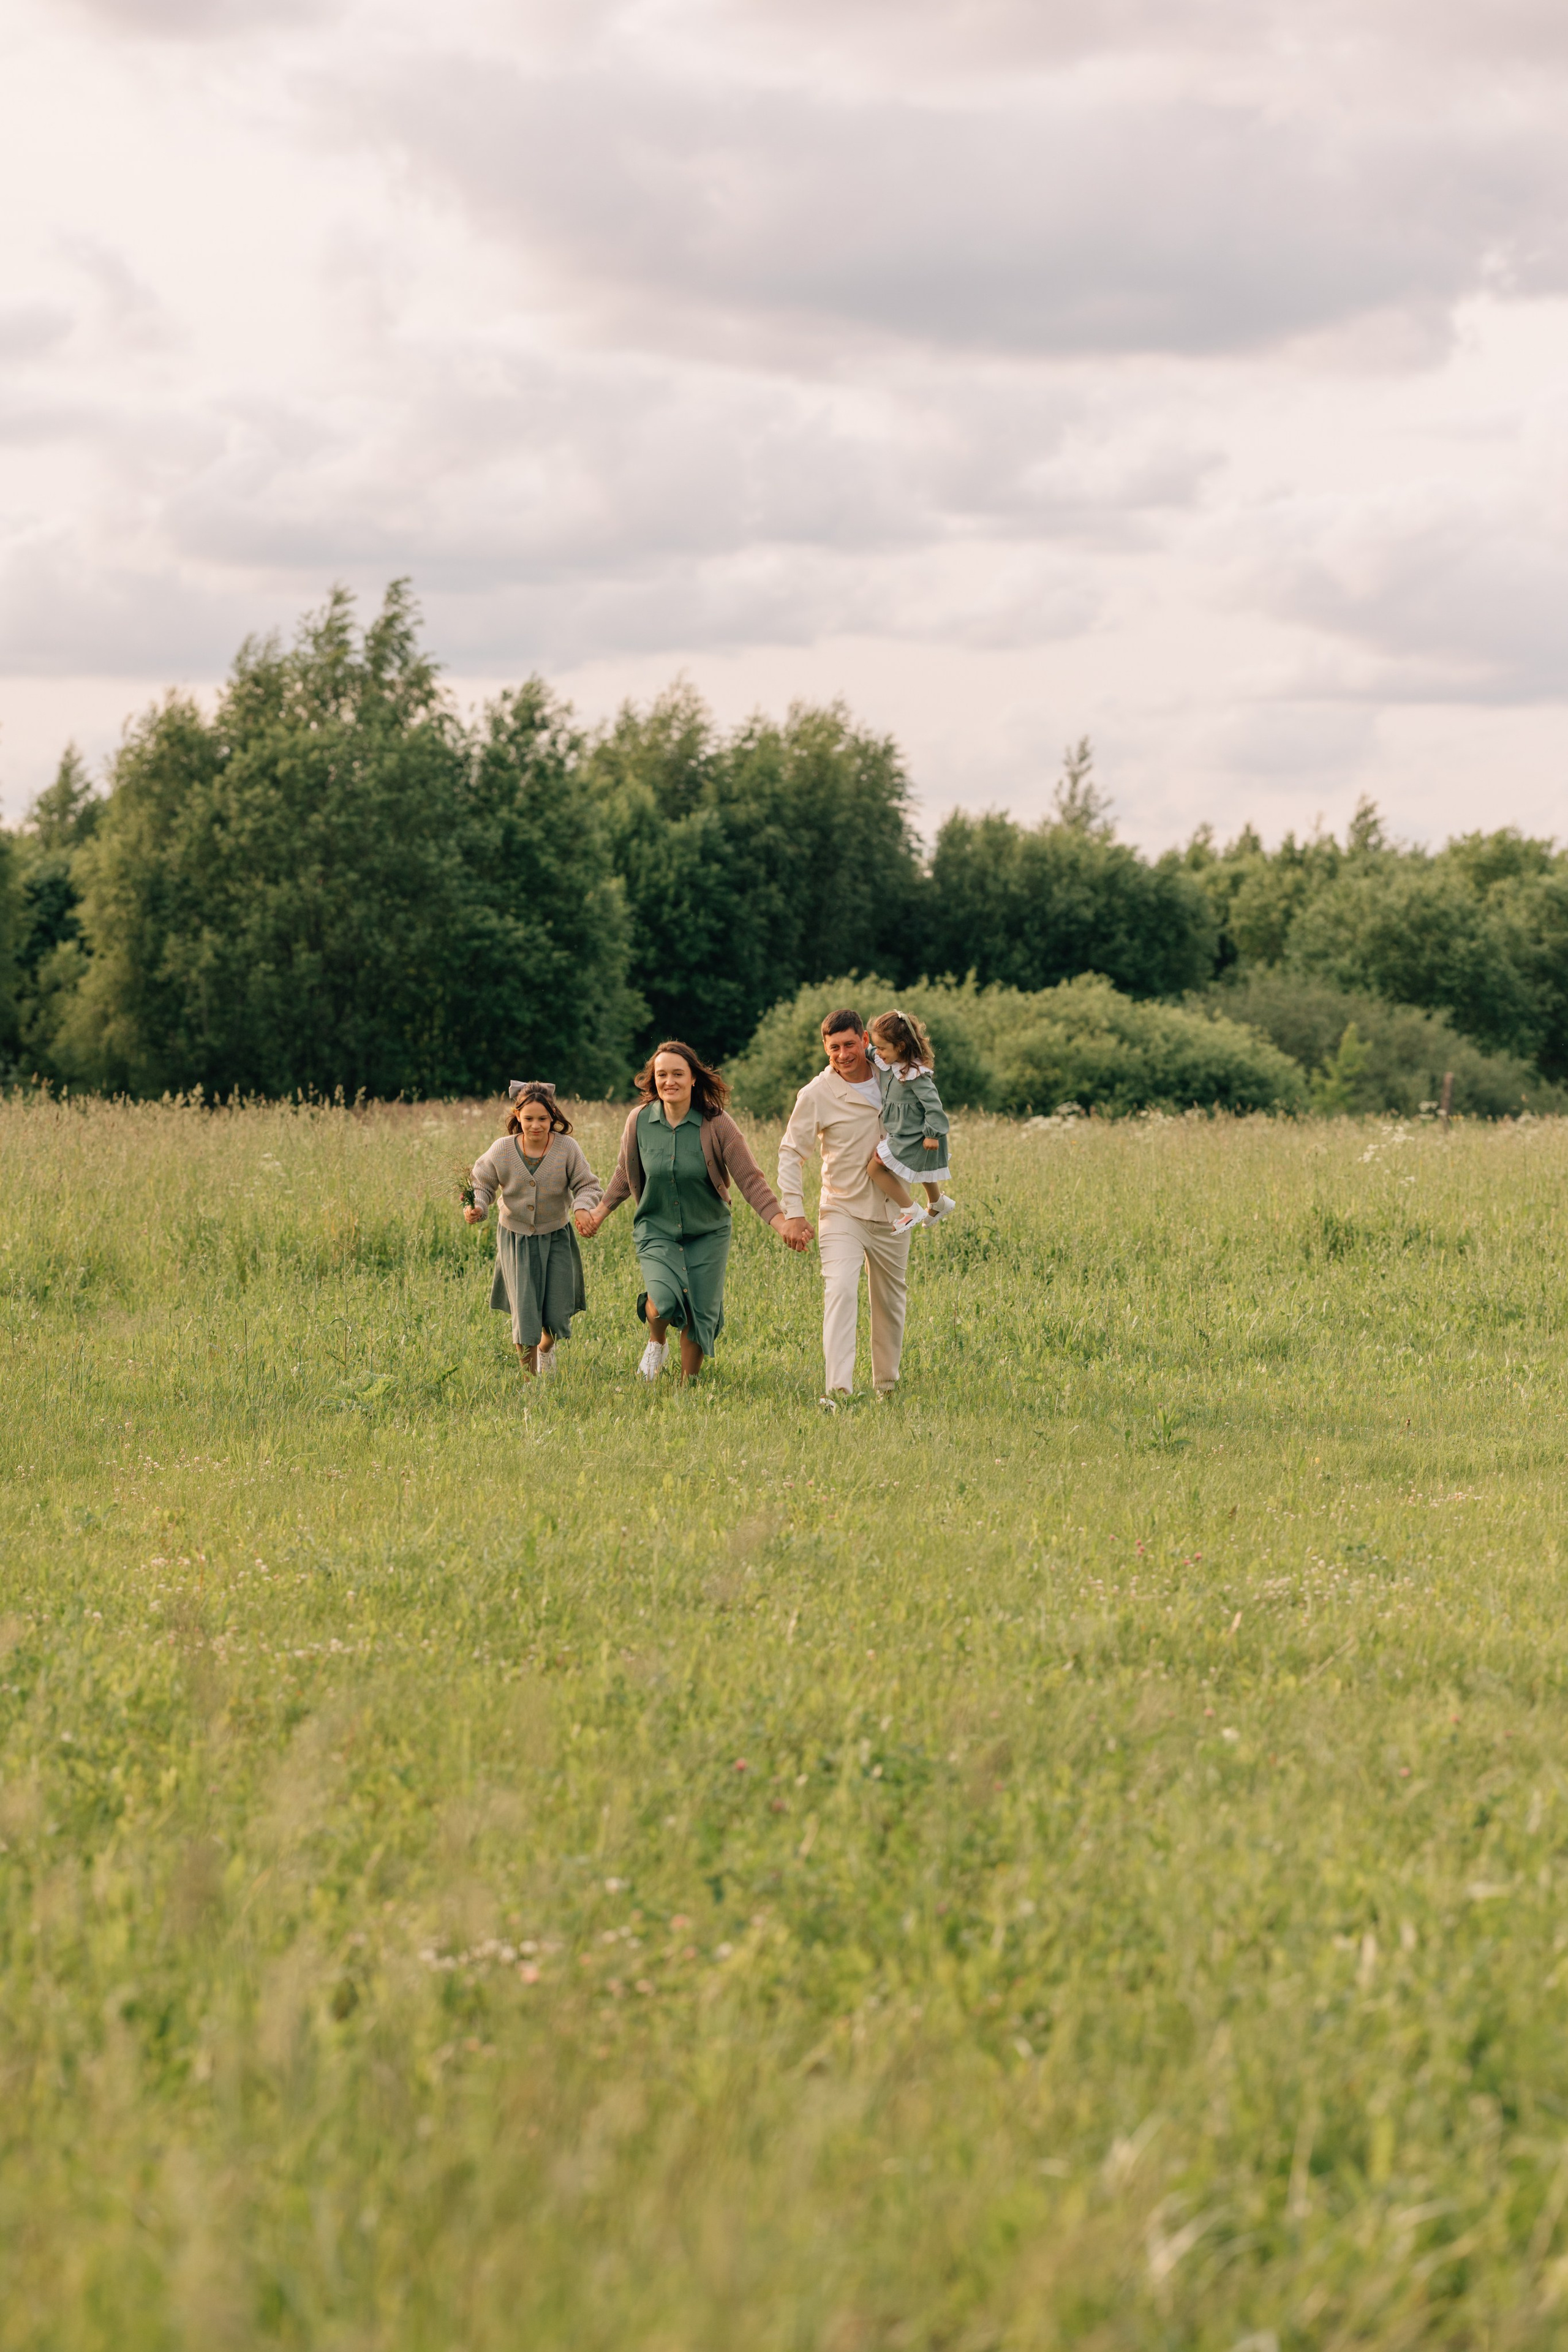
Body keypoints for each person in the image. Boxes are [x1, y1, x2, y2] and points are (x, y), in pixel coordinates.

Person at [579, 1040, 810, 1381]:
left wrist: (781, 1224)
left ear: (693, 1080)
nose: (669, 1081)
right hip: (656, 1229)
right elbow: (625, 1173)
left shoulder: (717, 1124)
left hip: (708, 1233)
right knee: (664, 1302)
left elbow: (750, 1180)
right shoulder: (639, 1121)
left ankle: (686, 1389)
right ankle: (656, 1342)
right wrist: (599, 1212)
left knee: (700, 1312)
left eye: (677, 1074)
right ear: (653, 1080)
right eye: (662, 1075)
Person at [776, 1007, 914, 1407]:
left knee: (890, 1301)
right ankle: (838, 1392)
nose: (842, 1054)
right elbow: (790, 1152)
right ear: (825, 1048)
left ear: (865, 1041)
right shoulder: (816, 1094)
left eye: (850, 1044)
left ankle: (887, 1388)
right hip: (842, 1209)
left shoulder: (893, 1075)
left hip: (893, 1210)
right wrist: (795, 1212)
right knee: (839, 1290)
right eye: (833, 1047)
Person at [466, 1082, 602, 1378]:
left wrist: (581, 1207)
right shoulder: (502, 1150)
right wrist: (477, 1206)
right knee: (526, 1313)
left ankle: (546, 1349)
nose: (536, 1125)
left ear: (553, 1117)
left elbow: (587, 1185)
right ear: (517, 1116)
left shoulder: (567, 1149)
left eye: (543, 1118)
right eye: (528, 1119)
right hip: (516, 1239)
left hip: (556, 1235)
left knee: (556, 1312)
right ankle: (530, 1380)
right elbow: (482, 1184)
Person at [864, 1006, 957, 1233]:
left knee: (874, 1169)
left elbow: (934, 1105)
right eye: (877, 1047)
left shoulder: (915, 1074)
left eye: (883, 1048)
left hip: (917, 1135)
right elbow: (867, 1052)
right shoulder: (887, 1062)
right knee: (921, 1169)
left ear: (901, 1046)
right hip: (904, 1132)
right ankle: (938, 1203)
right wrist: (858, 1045)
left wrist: (933, 1135)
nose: (879, 1052)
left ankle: (910, 1209)